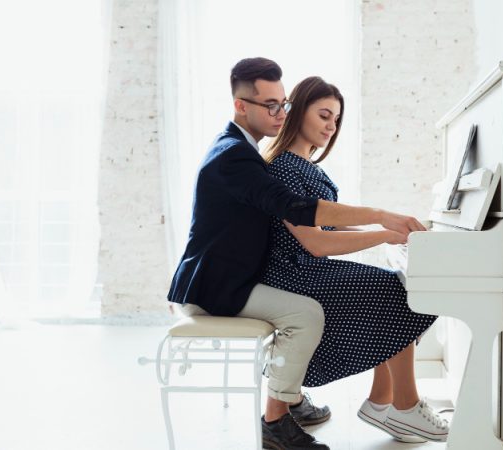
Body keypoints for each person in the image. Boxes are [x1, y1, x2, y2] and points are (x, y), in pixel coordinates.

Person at [166, 58, 427, 450]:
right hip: (216, 286)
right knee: (307, 313)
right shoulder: (236, 157)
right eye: (270, 104)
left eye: (282, 103)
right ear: (241, 105)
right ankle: (277, 421)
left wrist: (382, 229)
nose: (279, 112)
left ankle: (321, 399)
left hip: (236, 275)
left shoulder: (244, 151)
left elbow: (314, 224)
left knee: (375, 289)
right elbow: (302, 216)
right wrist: (381, 221)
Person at [260, 76, 450, 443]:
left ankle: (385, 400)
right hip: (291, 273)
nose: (331, 127)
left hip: (307, 266)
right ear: (298, 112)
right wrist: (383, 232)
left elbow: (327, 236)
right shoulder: (283, 166)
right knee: (395, 291)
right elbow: (314, 243)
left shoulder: (307, 166)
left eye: (336, 120)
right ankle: (402, 406)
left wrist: (391, 235)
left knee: (392, 285)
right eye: (324, 115)